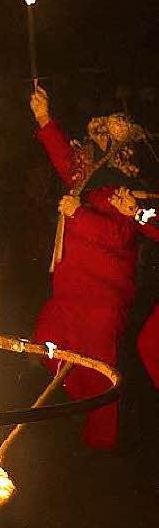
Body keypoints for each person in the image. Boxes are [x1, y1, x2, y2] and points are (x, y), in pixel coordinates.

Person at [30, 84, 159, 449]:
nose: (96, 136)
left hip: (103, 300)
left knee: (100, 372)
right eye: (97, 131)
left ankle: (101, 443)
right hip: (69, 292)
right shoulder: (86, 180)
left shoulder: (129, 193)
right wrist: (43, 117)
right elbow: (64, 159)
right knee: (48, 346)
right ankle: (77, 415)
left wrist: (79, 216)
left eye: (105, 132)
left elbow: (117, 236)